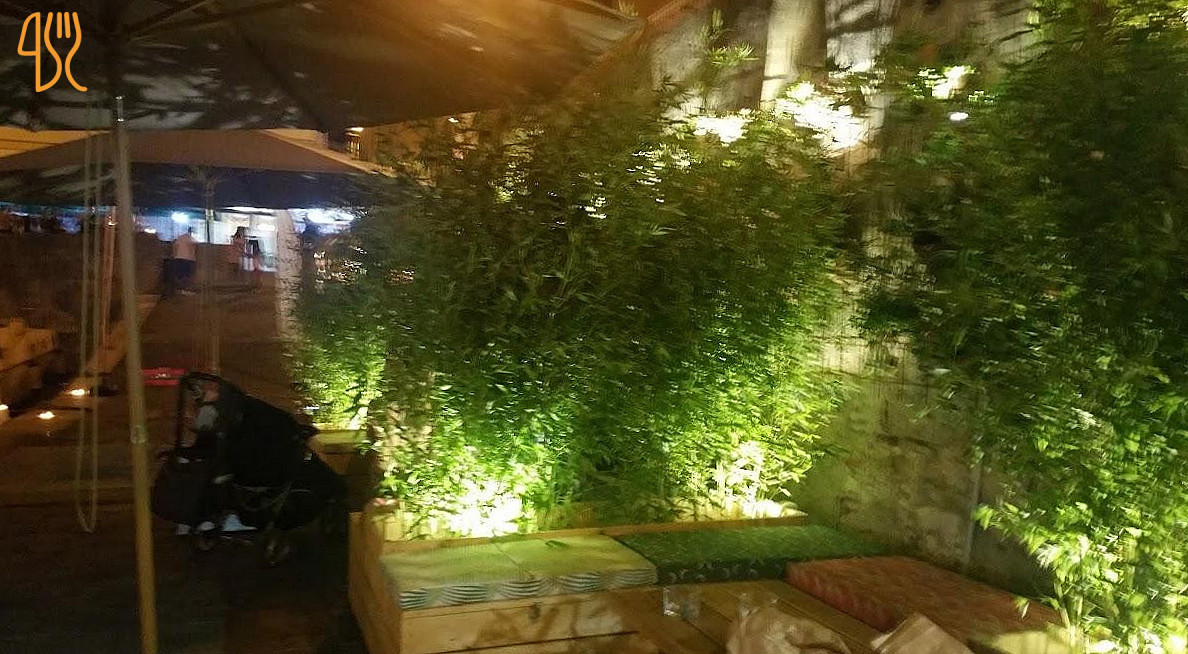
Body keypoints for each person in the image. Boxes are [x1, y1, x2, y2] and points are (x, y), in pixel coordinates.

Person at [172, 227, 198, 295]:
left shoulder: (180, 237)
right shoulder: (191, 239)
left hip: (179, 258)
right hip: (188, 259)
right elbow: (194, 248)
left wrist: (174, 256)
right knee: (187, 275)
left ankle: (179, 290)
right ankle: (185, 290)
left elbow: (174, 247)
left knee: (179, 275)